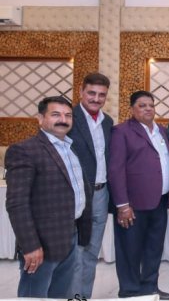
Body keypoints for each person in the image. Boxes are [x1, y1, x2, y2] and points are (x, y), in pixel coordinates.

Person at [6, 96, 91, 299]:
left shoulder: (70, 149)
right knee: (34, 296)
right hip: (41, 243)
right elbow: (17, 203)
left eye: (68, 115)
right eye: (55, 114)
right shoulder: (25, 150)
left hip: (69, 235)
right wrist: (30, 246)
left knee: (59, 295)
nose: (63, 119)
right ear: (40, 118)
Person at [108, 91, 169, 299]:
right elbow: (115, 170)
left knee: (154, 249)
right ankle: (130, 292)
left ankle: (150, 288)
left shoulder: (162, 131)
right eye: (142, 105)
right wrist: (122, 205)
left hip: (160, 201)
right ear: (131, 109)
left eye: (151, 105)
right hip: (133, 204)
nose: (148, 109)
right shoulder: (121, 132)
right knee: (130, 250)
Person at [68, 72, 113, 298]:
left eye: (101, 95)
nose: (96, 99)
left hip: (101, 194)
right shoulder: (68, 118)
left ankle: (83, 295)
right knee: (75, 253)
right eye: (91, 93)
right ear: (81, 92)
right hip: (76, 194)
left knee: (92, 252)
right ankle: (73, 296)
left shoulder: (108, 122)